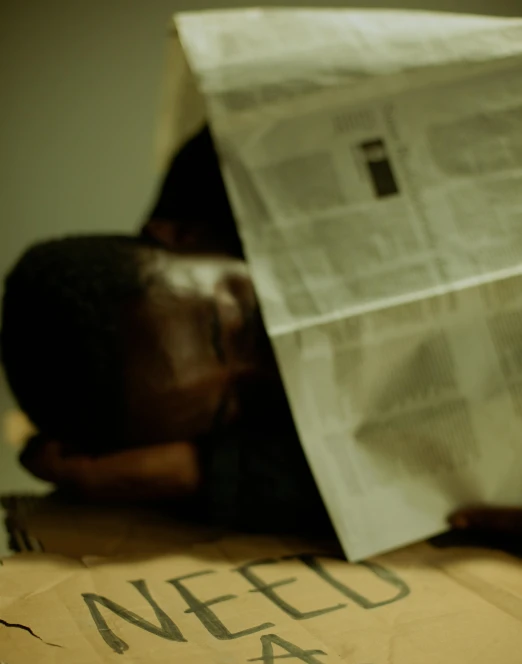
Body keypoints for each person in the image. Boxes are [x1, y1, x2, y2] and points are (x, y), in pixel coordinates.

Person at [1, 126, 520, 544]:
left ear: (185, 235)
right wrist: (197, 474)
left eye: (241, 325)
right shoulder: (231, 441)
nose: (274, 370)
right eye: (235, 404)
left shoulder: (237, 159)